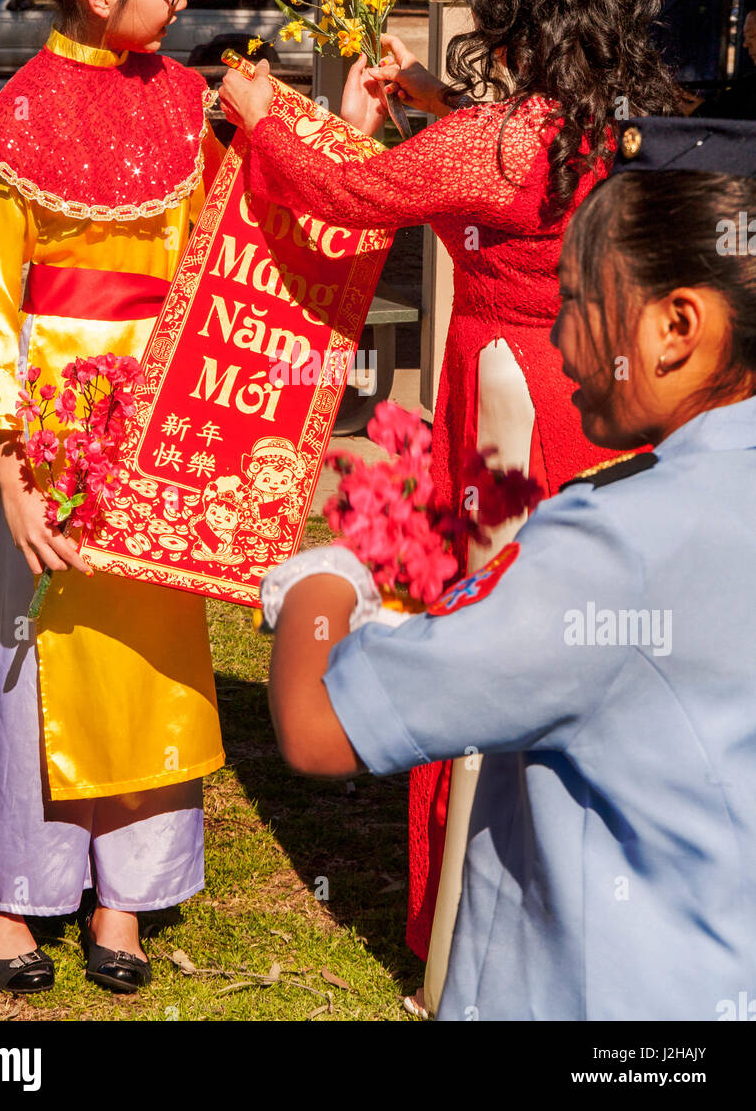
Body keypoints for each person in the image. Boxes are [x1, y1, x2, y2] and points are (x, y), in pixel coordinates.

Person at [220, 0, 684, 1006]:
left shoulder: (496, 138)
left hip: (507, 406)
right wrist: (430, 96)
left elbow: (349, 190)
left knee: (490, 639)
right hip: (598, 395)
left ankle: (472, 920)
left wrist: (256, 116)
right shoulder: (613, 115)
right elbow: (493, 180)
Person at [259, 145, 756, 1021]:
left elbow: (319, 730)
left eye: (576, 304)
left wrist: (323, 578)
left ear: (677, 327)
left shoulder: (612, 548)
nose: (558, 338)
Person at [0, 0, 226, 994]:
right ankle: (5, 890)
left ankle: (128, 893)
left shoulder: (184, 96)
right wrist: (12, 464)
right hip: (57, 432)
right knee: (40, 655)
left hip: (160, 419)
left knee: (154, 651)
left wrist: (335, 126)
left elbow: (228, 232)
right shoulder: (19, 111)